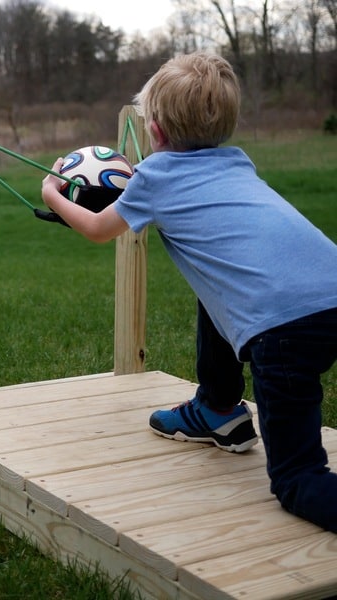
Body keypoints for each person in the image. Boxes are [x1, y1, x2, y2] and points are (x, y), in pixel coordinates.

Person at [41, 51, 337, 532]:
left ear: (154, 132)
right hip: (330, 290)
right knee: (218, 286)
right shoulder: (238, 164)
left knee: (298, 479)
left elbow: (98, 228)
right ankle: (218, 410)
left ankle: (230, 417)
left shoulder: (153, 178)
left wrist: (53, 191)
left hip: (283, 329)